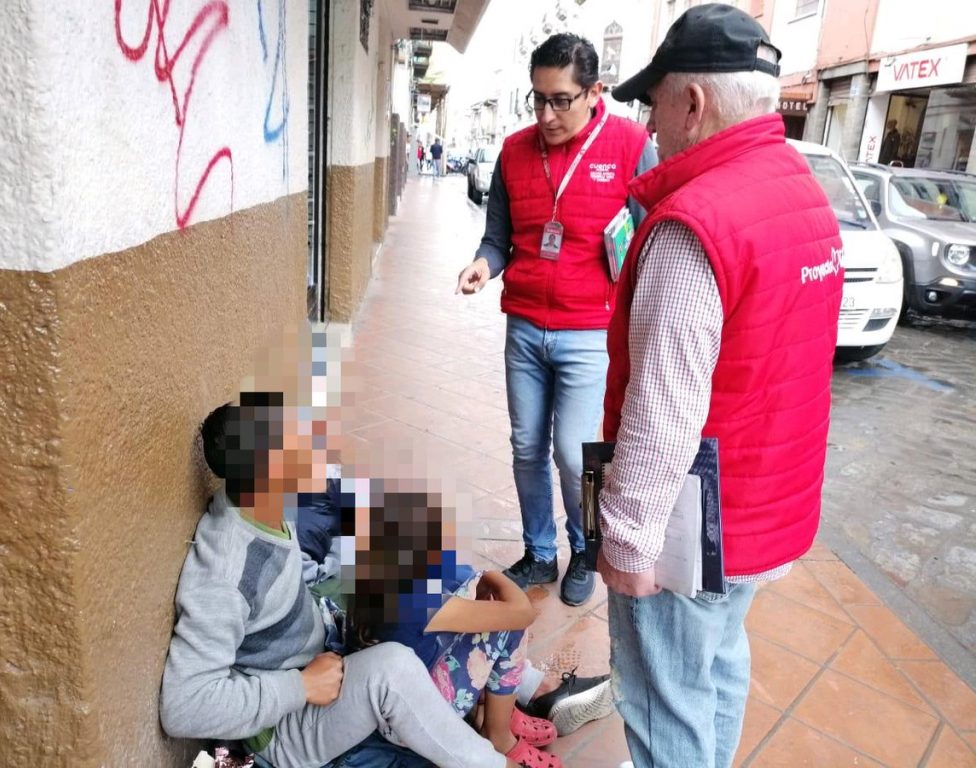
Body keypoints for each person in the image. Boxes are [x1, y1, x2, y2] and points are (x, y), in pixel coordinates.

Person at [600, 5, 842, 767]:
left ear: (692, 103)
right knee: (720, 662)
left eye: (655, 104)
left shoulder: (692, 224)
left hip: (694, 525)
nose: (651, 125)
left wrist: (624, 539)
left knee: (662, 694)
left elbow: (661, 411)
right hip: (766, 509)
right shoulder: (800, 192)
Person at [160, 393, 520, 768]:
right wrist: (299, 687)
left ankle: (518, 686)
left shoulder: (254, 501)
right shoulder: (225, 578)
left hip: (320, 648)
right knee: (392, 669)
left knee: (436, 574)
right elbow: (183, 706)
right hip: (289, 726)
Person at [455, 33, 657, 607]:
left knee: (576, 454)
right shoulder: (514, 153)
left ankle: (585, 547)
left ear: (595, 92)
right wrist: (482, 265)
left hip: (590, 334)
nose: (546, 114)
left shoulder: (632, 145)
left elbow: (651, 239)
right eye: (537, 99)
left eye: (560, 100)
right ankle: (541, 552)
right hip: (524, 330)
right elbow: (497, 239)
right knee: (526, 448)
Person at [344, 484, 564, 768]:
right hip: (408, 722)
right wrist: (493, 575)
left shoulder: (371, 587)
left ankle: (495, 710)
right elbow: (522, 612)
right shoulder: (414, 600)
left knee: (480, 603)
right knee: (506, 624)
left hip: (387, 704)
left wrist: (479, 586)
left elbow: (464, 577)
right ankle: (499, 735)